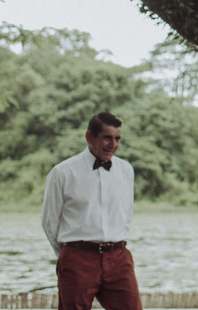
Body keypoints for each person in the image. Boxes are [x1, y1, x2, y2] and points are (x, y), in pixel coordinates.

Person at [42, 111, 143, 310]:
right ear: (90, 137)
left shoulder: (125, 170)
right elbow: (49, 222)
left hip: (119, 258)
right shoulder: (63, 172)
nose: (112, 144)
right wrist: (70, 255)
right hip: (78, 259)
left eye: (117, 138)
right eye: (107, 137)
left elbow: (126, 215)